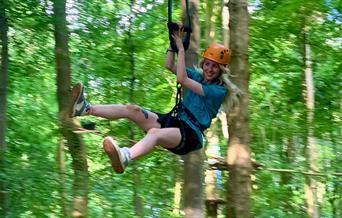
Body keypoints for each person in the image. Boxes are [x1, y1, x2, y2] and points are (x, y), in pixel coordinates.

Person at [70, 29, 241, 174]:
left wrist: (182, 50)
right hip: (175, 121)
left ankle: (126, 156)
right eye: (207, 64)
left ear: (221, 70)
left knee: (154, 133)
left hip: (190, 134)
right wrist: (172, 45)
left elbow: (181, 78)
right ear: (203, 64)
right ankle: (85, 109)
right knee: (133, 109)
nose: (209, 69)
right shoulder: (198, 75)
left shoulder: (218, 91)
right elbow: (169, 65)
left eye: (215, 66)